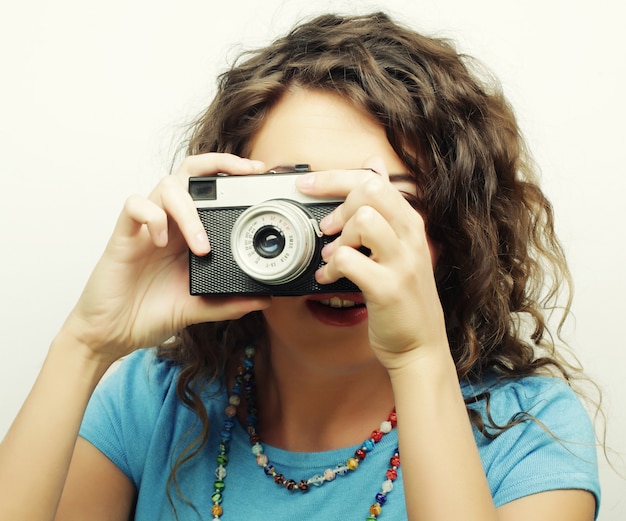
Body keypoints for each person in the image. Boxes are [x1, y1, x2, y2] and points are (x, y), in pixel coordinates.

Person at [0, 11, 600, 521]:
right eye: (294, 206)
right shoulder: (152, 404)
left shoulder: (529, 434)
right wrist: (84, 342)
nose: (340, 250)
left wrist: (419, 358)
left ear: (457, 229)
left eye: (393, 206)